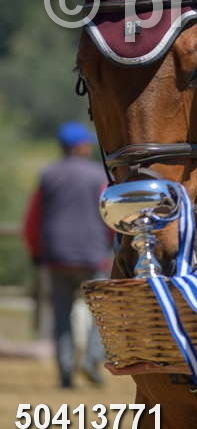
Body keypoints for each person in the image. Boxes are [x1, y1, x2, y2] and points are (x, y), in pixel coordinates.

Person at [23, 121, 111, 388]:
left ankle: (64, 371)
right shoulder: (98, 176)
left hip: (56, 256)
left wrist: (36, 251)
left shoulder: (48, 175)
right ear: (81, 146)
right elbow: (109, 214)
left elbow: (32, 219)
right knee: (102, 312)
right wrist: (111, 247)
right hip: (93, 255)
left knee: (61, 316)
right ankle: (92, 359)